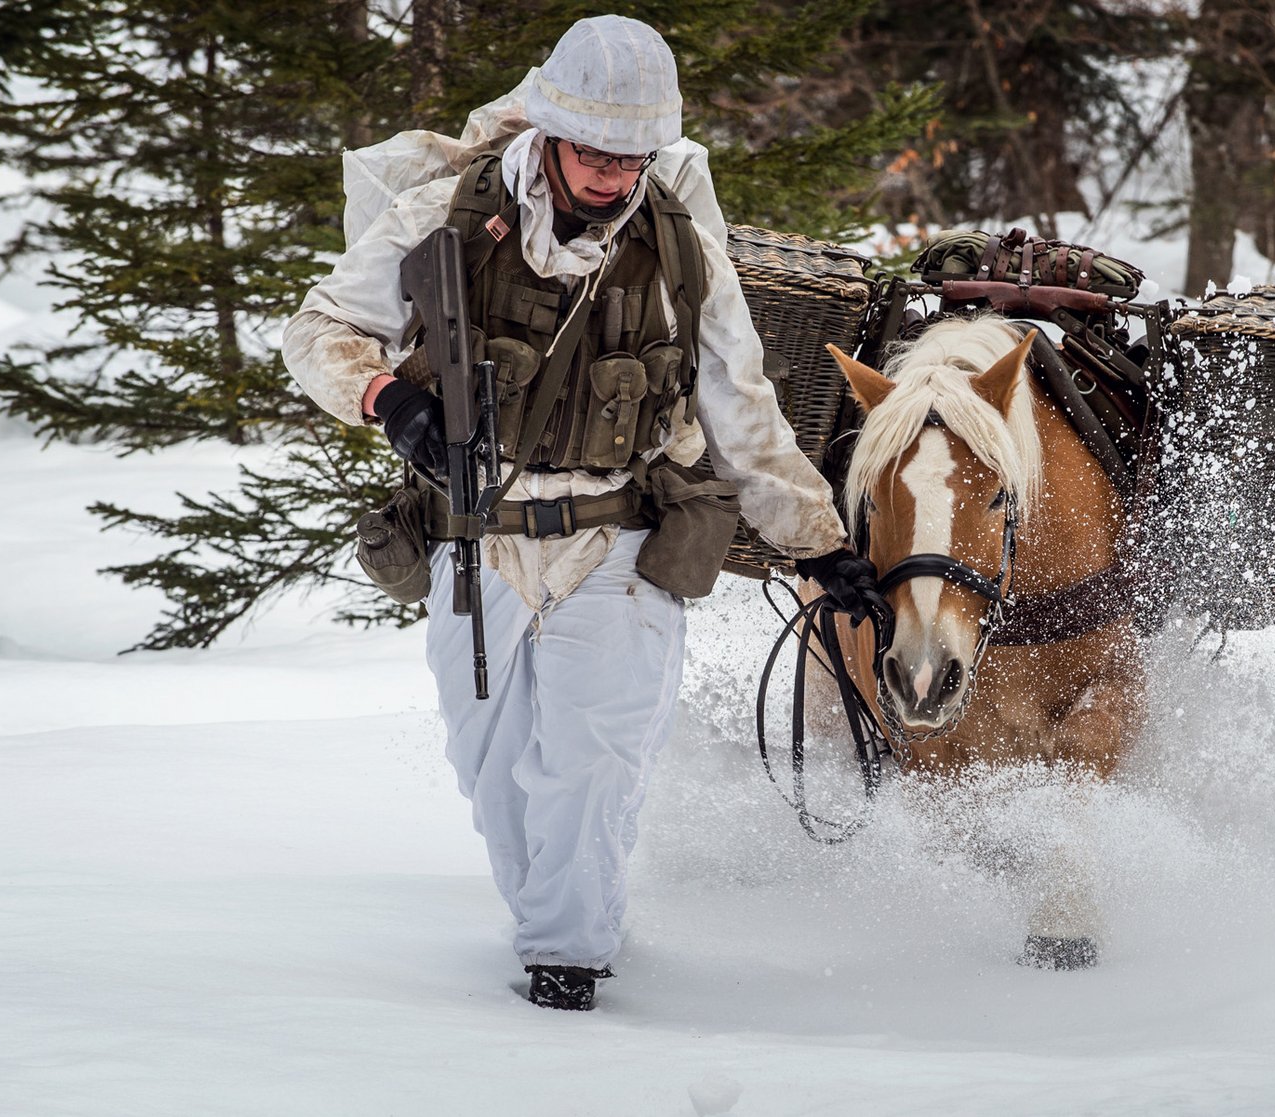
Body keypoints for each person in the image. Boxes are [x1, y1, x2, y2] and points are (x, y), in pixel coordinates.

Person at [282, 14, 882, 1011]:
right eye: (596, 153)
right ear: (551, 133)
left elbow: (743, 407)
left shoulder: (683, 247)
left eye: (632, 155)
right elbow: (317, 328)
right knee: (494, 770)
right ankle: (552, 921)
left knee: (596, 766)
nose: (613, 175)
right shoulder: (442, 215)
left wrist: (815, 544)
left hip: (622, 537)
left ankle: (571, 961)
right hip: (477, 540)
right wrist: (391, 402)